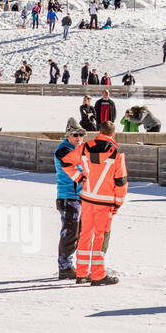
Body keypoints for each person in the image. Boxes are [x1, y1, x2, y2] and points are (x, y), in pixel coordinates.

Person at [67, 121, 127, 285]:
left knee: (85, 234)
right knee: (101, 237)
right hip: (105, 202)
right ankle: (98, 275)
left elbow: (66, 162)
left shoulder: (85, 147)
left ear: (99, 131)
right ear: (113, 134)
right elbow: (121, 181)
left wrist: (79, 178)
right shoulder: (116, 152)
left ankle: (81, 273)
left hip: (87, 199)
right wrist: (118, 203)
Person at [53, 126, 87, 279]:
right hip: (68, 197)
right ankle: (65, 267)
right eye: (75, 135)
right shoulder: (63, 150)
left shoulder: (77, 150)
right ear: (68, 136)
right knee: (70, 232)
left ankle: (71, 264)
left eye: (81, 135)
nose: (79, 137)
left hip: (78, 196)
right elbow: (72, 164)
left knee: (78, 232)